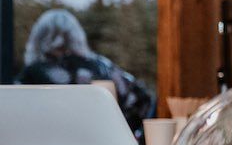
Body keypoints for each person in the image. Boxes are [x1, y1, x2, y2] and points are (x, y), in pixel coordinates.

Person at [19, 8, 153, 136]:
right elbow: (143, 99)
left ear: (39, 38)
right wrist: (130, 134)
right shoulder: (101, 65)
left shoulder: (33, 71)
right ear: (76, 35)